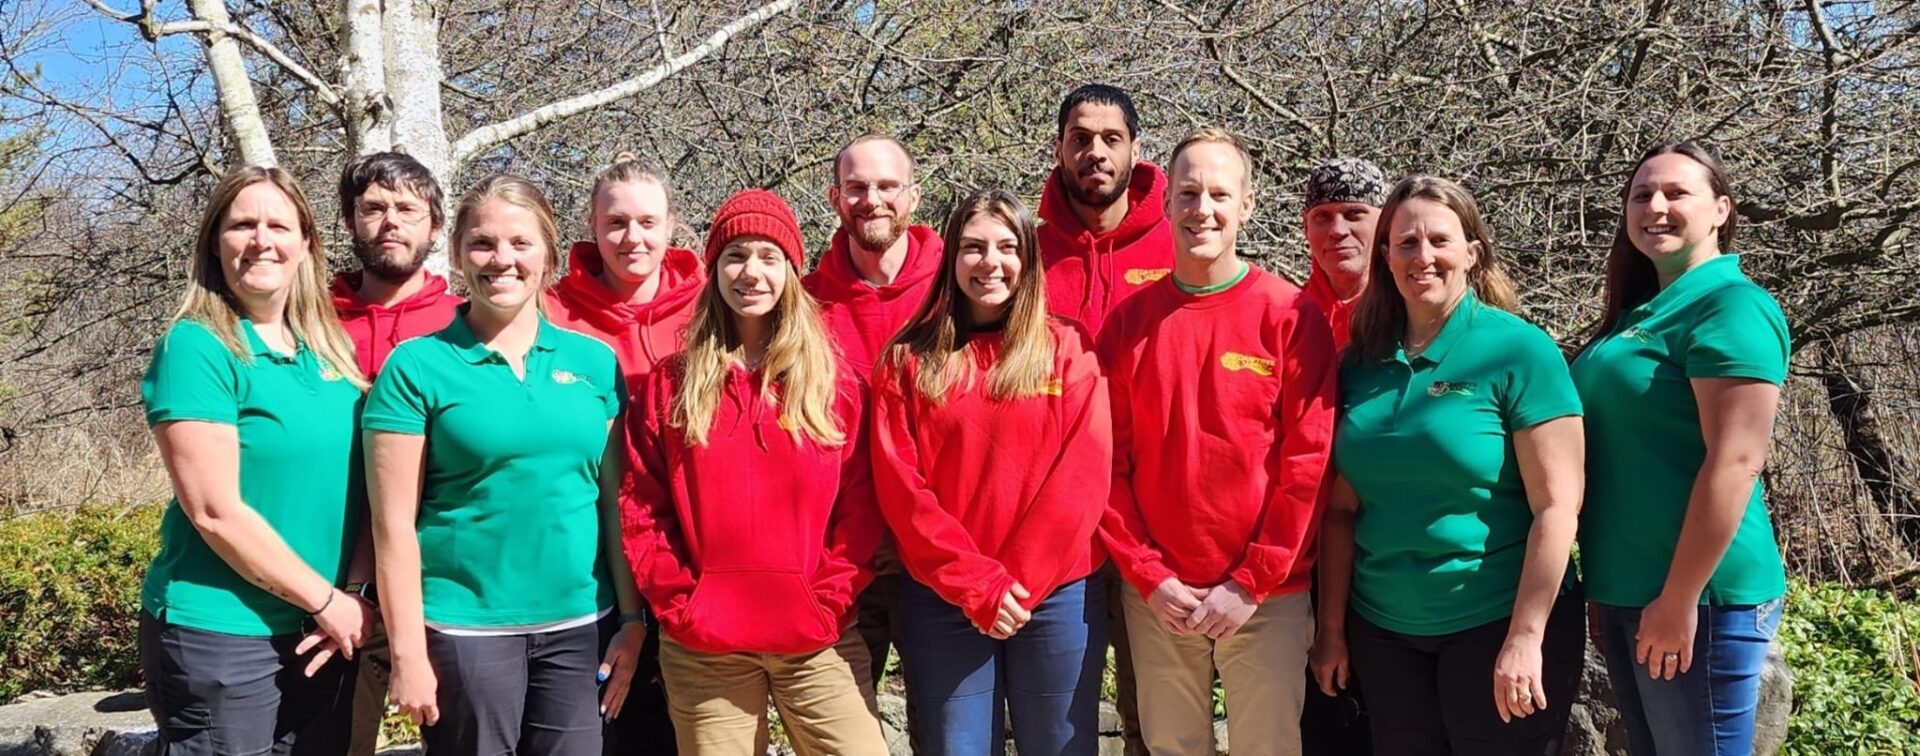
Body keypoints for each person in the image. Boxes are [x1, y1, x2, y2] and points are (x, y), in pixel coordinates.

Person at [364, 175, 644, 756]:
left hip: (579, 628)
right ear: (461, 253)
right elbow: (393, 528)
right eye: (483, 244)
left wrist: (632, 618)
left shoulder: (593, 362)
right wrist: (408, 652)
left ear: (548, 252)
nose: (502, 260)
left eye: (520, 243)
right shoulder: (415, 367)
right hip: (464, 633)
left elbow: (613, 503)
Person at [1310, 175, 1586, 755]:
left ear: (1471, 252)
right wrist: (1331, 632)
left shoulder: (1519, 350)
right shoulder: (1359, 363)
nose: (1423, 256)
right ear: (1385, 256)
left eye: (1439, 240)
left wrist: (1526, 636)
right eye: (1405, 243)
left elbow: (1557, 507)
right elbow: (1339, 510)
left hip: (1493, 624)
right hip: (1384, 633)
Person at [622, 189, 888, 756]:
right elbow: (643, 506)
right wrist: (681, 604)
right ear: (714, 267)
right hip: (706, 647)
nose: (752, 272)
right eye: (736, 255)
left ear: (792, 271)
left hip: (817, 638)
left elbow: (861, 508)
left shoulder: (834, 383)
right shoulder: (672, 384)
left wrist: (828, 600)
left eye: (769, 257)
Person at [1098, 128, 1337, 756]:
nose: (1202, 208)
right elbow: (1105, 467)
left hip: (1267, 596)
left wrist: (1251, 581)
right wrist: (1149, 577)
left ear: (1247, 204)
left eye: (1219, 194)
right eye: (1188, 193)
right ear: (1168, 204)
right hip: (1159, 600)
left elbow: (1308, 465)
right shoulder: (1127, 324)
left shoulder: (1288, 315)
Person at [138, 165, 372, 754]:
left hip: (321, 632)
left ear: (306, 244)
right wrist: (326, 601)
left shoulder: (331, 351)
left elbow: (364, 487)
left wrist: (355, 595)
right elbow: (214, 510)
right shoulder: (198, 346)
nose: (261, 240)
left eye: (278, 225)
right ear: (216, 243)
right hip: (224, 634)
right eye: (242, 225)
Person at [871, 188, 1114, 755]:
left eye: (1007, 247)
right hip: (943, 597)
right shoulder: (908, 360)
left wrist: (1015, 584)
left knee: (1060, 746)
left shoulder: (1068, 348)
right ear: (951, 258)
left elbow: (1083, 476)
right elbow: (902, 488)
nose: (990, 262)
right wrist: (977, 585)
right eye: (973, 247)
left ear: (1028, 259)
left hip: (1054, 595)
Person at [1572, 142, 1790, 756]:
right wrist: (1607, 589)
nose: (1655, 207)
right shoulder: (1641, 312)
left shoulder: (1731, 306)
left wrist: (1679, 597)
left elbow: (1737, 461)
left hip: (1701, 600)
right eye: (1641, 195)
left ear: (1721, 209)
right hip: (1629, 590)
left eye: (1676, 193)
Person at [542, 153, 698, 755]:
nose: (632, 238)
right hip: (596, 545)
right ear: (592, 225)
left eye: (647, 222)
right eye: (616, 223)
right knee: (615, 719)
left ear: (671, 225)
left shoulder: (711, 306)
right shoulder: (554, 311)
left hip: (689, 538)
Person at [1037, 83, 1173, 756]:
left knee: (1157, 711)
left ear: (1135, 150)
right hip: (1056, 517)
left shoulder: (1181, 245)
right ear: (1059, 148)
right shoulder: (1024, 257)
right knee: (1061, 716)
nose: (1095, 152)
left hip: (1155, 514)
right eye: (1080, 138)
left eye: (1110, 139)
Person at [803, 133, 942, 733]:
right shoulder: (805, 305)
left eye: (887, 186)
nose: (872, 199)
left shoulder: (955, 291)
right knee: (845, 734)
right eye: (857, 187)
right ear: (835, 197)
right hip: (840, 559)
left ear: (912, 196)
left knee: (945, 729)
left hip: (934, 555)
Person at [331, 150, 463, 756]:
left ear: (435, 227)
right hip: (331, 581)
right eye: (373, 208)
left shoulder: (467, 322)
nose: (390, 222)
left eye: (407, 209)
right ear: (351, 221)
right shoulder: (309, 319)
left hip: (442, 582)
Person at [1299, 157, 1387, 352]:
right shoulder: (1286, 317)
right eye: (1322, 217)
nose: (1337, 230)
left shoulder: (1413, 316)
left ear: (1385, 224)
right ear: (1305, 227)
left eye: (1354, 214)